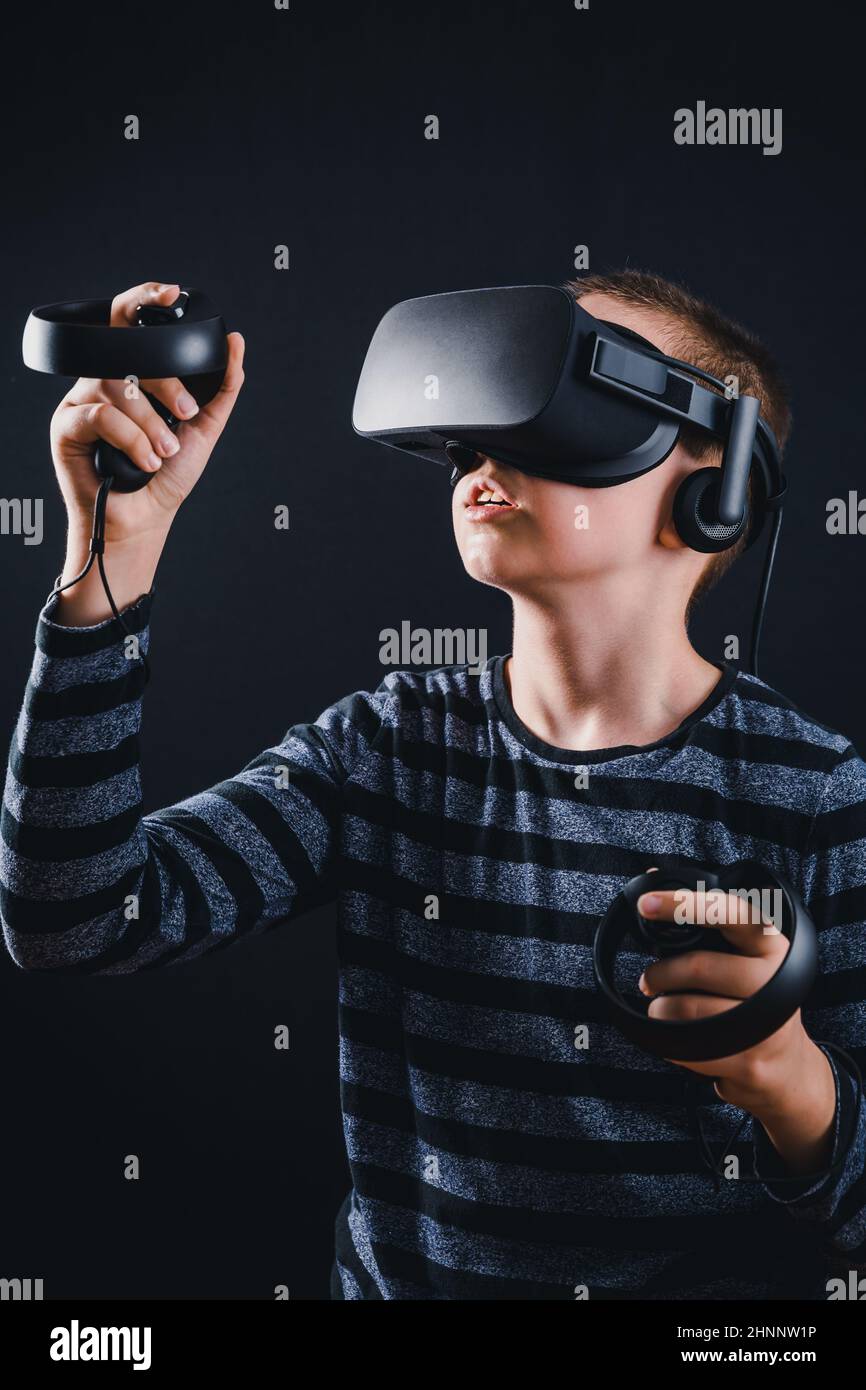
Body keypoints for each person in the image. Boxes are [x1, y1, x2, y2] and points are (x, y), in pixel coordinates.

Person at [2, 272, 864, 1301]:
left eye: (555, 409)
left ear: (715, 487)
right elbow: (77, 918)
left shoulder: (815, 794)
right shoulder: (385, 747)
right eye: (471, 434)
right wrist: (112, 554)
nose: (484, 456)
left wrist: (790, 1083)